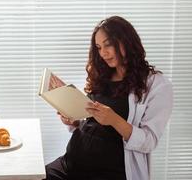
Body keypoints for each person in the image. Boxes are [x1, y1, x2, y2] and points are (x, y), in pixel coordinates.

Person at [45, 16, 173, 180]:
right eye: (98, 47)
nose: (103, 53)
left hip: (109, 173)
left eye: (108, 44)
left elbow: (149, 141)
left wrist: (114, 119)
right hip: (70, 164)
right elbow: (92, 122)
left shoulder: (157, 85)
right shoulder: (102, 75)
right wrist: (75, 121)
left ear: (126, 41)